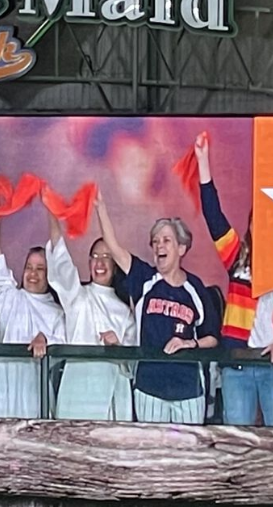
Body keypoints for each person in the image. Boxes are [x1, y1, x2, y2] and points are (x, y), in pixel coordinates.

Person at [97, 194, 221, 424]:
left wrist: (189, 343)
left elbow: (212, 338)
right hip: (149, 387)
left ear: (181, 248)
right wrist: (100, 208)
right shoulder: (144, 278)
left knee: (189, 447)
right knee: (152, 446)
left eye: (166, 240)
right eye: (155, 241)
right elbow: (113, 247)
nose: (159, 246)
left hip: (189, 389)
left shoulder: (195, 288)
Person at [195, 135, 273, 425]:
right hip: (237, 363)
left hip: (271, 366)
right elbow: (213, 216)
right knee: (236, 441)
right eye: (256, 220)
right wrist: (203, 161)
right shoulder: (237, 257)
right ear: (250, 225)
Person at [45, 212, 136, 421]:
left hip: (112, 393)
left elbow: (133, 364)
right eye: (95, 257)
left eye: (106, 257)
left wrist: (118, 346)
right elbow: (62, 264)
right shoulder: (77, 297)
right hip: (77, 389)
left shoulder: (124, 312)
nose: (100, 262)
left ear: (115, 265)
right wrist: (52, 214)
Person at [0, 217, 66, 419]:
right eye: (29, 267)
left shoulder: (57, 312)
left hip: (34, 386)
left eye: (40, 269)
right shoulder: (11, 298)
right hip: (3, 382)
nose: (33, 274)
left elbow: (64, 343)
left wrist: (45, 339)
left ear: (50, 274)